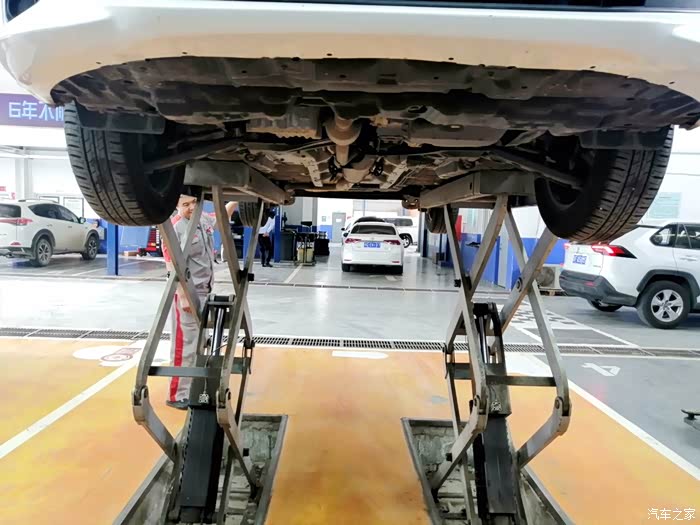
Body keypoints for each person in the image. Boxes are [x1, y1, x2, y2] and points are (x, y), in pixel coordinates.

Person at [163, 191, 236, 410]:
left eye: (194, 202)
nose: (192, 207)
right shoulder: (174, 228)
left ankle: (192, 388)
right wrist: (184, 296)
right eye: (186, 204)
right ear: (176, 205)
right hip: (187, 293)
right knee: (185, 345)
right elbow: (171, 265)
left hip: (205, 291)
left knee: (199, 342)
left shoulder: (202, 219)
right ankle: (177, 395)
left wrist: (237, 200)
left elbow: (220, 218)